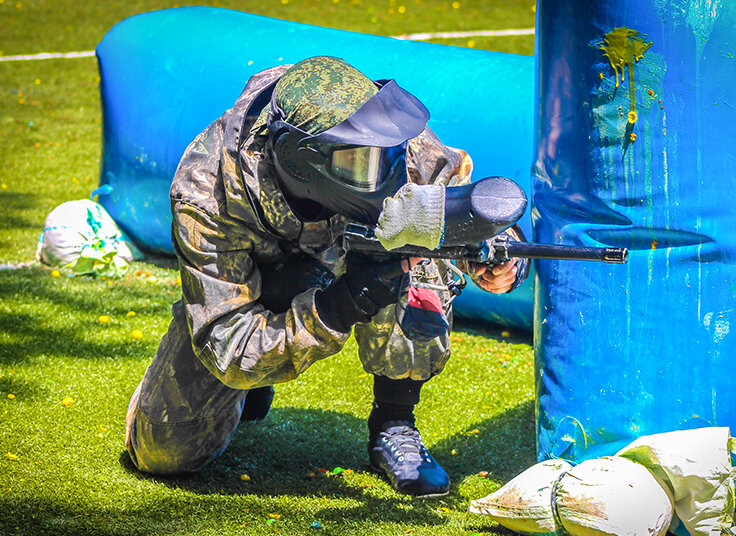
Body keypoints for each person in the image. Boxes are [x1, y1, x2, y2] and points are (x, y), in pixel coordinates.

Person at [124, 56, 526, 497]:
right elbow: (229, 341)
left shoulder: (379, 133)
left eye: (388, 155)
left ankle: (394, 420)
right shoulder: (209, 192)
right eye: (364, 163)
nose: (386, 170)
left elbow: (451, 198)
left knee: (418, 254)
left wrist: (498, 255)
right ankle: (253, 384)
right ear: (301, 159)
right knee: (164, 451)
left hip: (345, 255)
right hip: (253, 291)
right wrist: (339, 305)